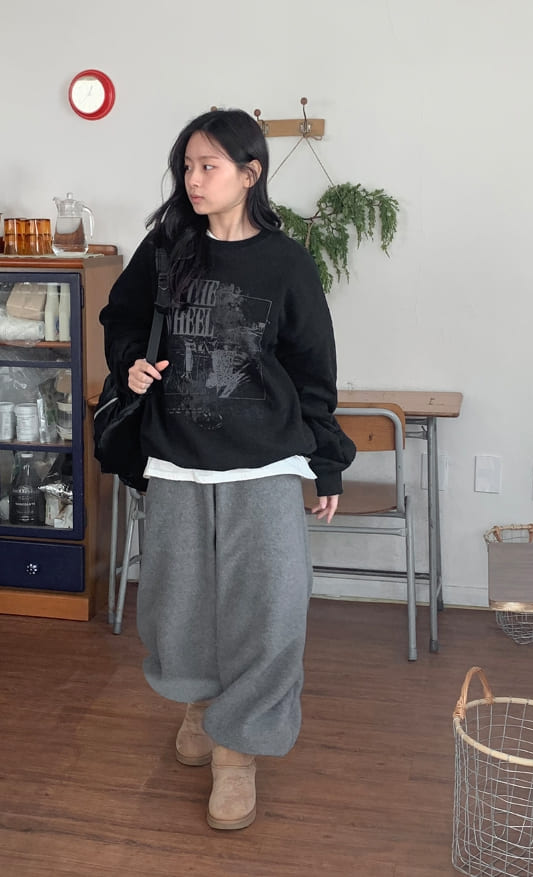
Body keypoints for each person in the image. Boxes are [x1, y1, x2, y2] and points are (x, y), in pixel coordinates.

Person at [99, 108, 356, 831]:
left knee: (271, 607)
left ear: (250, 173)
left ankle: (237, 751)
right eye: (187, 166)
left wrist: (327, 464)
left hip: (266, 463)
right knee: (176, 603)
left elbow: (313, 371)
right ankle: (200, 702)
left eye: (208, 165)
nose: (194, 178)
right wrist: (133, 362)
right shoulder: (166, 249)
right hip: (176, 459)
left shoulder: (287, 262)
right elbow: (120, 319)